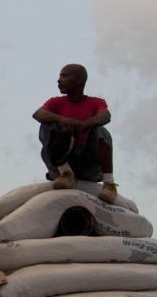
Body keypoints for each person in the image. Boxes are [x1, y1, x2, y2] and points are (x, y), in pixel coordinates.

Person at [32, 64, 117, 202]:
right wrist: (62, 119)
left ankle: (109, 184)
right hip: (61, 165)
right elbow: (38, 114)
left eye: (64, 76)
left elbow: (105, 116)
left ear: (78, 80)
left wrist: (85, 125)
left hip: (87, 166)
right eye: (59, 76)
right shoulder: (56, 102)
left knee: (101, 131)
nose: (59, 80)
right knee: (47, 124)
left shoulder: (95, 102)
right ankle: (66, 173)